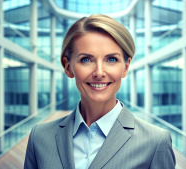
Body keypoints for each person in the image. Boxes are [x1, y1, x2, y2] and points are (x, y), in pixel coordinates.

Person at [24, 14, 176, 169]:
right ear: (68, 67)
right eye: (86, 59)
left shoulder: (155, 141)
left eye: (111, 59)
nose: (99, 72)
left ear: (126, 67)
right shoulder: (39, 137)